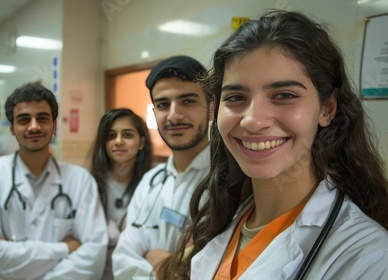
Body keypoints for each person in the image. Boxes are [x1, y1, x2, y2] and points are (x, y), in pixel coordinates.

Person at [156, 11, 388, 280]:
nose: (253, 121)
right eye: (235, 97)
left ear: (327, 108)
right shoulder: (225, 217)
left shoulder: (369, 258)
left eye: (284, 95)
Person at [0, 82, 108, 279]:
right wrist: (65, 248)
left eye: (42, 118)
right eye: (24, 119)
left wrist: (8, 253)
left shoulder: (81, 181)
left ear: (54, 126)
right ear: (12, 128)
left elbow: (93, 257)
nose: (34, 126)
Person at [112, 55, 213, 279]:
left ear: (212, 108)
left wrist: (152, 258)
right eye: (163, 104)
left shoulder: (227, 183)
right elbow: (122, 261)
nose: (174, 115)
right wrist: (167, 268)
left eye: (188, 101)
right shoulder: (150, 181)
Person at [89, 108, 153, 280]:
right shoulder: (89, 186)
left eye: (127, 135)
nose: (118, 141)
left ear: (141, 142)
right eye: (111, 136)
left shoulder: (153, 186)